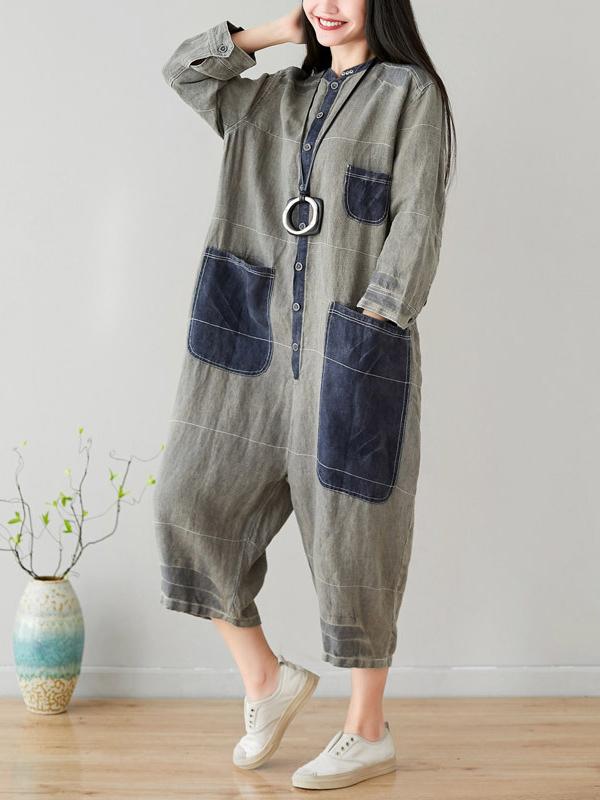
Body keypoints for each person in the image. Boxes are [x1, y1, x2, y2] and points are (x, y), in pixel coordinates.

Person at [154, 0, 455, 790]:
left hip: (346, 348)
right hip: (247, 347)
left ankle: (368, 730)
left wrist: (377, 318)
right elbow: (184, 70)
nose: (327, 3)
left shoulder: (410, 93)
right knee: (187, 499)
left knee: (356, 535)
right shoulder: (269, 99)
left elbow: (418, 215)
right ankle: (265, 680)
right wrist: (275, 35)